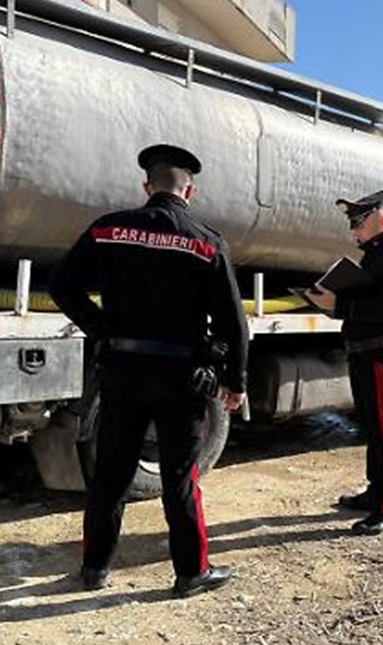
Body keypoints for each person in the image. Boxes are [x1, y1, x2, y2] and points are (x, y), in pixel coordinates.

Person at [48, 143, 248, 597]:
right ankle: (191, 573)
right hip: (181, 378)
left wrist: (100, 327)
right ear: (188, 191)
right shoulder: (206, 242)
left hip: (122, 370)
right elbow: (233, 323)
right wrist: (235, 381)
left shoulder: (108, 229)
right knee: (180, 478)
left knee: (111, 473)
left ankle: (94, 568)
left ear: (147, 186)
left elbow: (61, 284)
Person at [304, 190, 383, 536]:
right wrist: (328, 299)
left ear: (378, 217)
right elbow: (363, 302)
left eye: (357, 223)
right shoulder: (373, 258)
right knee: (372, 428)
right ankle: (375, 492)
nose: (353, 230)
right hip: (363, 352)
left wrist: (339, 305)